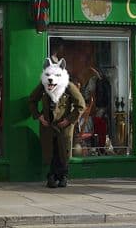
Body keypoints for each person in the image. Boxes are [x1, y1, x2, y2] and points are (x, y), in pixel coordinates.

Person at [28, 58, 85, 188]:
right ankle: (52, 176)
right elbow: (32, 100)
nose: (51, 78)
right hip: (48, 126)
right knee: (50, 151)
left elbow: (81, 105)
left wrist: (69, 120)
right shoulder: (43, 86)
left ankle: (63, 176)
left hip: (63, 127)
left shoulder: (68, 86)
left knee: (63, 152)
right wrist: (39, 116)